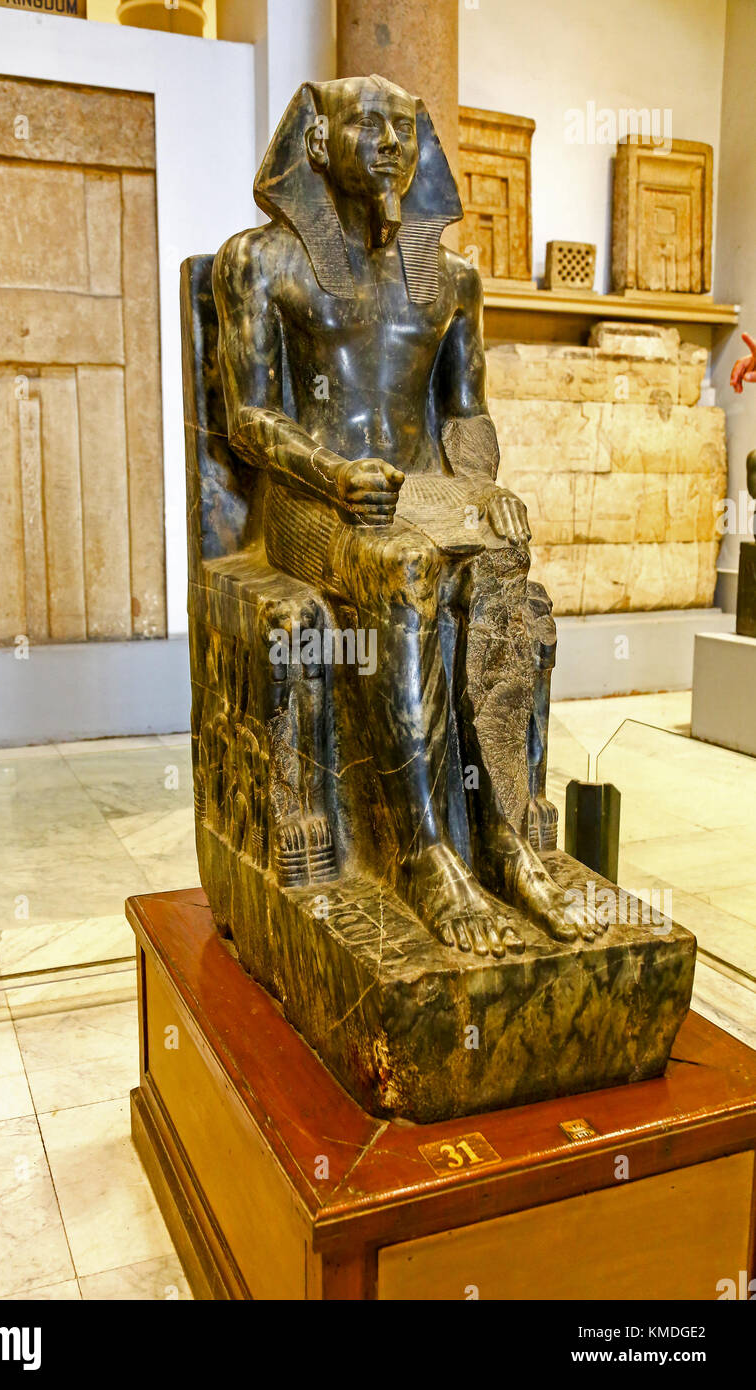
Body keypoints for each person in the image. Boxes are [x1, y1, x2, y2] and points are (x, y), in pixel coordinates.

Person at [213, 76, 600, 955]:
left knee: (503, 564)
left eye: (405, 129)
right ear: (318, 143)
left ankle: (502, 837)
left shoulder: (451, 280)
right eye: (368, 125)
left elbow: (464, 413)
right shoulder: (260, 263)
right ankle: (424, 853)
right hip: (311, 498)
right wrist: (334, 470)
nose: (390, 143)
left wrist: (482, 484)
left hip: (423, 489)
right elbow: (249, 418)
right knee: (404, 568)